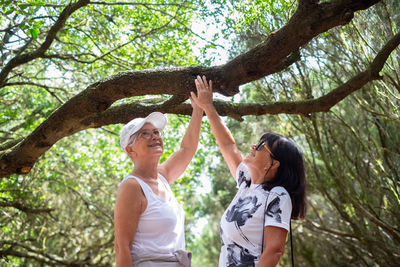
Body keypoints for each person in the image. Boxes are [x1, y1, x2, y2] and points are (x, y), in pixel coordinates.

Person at [191, 76, 306, 267]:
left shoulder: (277, 195)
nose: (254, 146)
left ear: (274, 163)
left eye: (262, 146)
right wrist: (208, 107)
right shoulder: (246, 184)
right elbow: (228, 146)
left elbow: (275, 250)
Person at [114, 98, 203, 267]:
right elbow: (121, 247)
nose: (154, 136)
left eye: (156, 132)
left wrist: (198, 110)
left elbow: (187, 149)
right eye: (145, 134)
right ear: (130, 149)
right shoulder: (132, 186)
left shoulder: (162, 178)